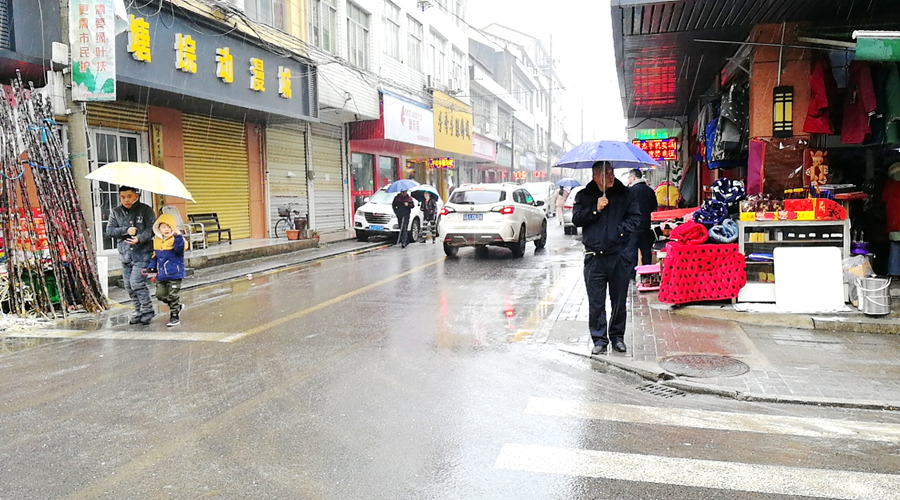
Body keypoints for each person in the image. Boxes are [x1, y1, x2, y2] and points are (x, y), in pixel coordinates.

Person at [573, 162, 641, 355]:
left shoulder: (626, 194)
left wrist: (619, 232)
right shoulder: (584, 195)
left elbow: (635, 218)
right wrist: (595, 208)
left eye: (611, 172)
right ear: (595, 176)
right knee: (596, 302)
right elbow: (577, 219)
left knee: (619, 301)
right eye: (605, 174)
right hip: (594, 257)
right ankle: (599, 339)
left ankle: (617, 337)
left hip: (619, 255)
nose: (610, 176)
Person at [106, 186, 157, 325]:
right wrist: (126, 231)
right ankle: (138, 310)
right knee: (128, 285)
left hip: (143, 254)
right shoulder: (116, 212)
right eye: (123, 197)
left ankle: (147, 310)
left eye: (129, 196)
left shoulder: (146, 210)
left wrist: (139, 238)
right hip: (125, 255)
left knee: (137, 283)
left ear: (136, 196)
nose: (126, 200)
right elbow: (109, 231)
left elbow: (152, 229)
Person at [147, 213, 188, 327]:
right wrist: (151, 267)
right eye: (163, 227)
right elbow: (155, 256)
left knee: (173, 296)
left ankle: (174, 316)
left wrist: (178, 237)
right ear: (158, 228)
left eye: (169, 227)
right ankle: (177, 306)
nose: (166, 229)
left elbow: (180, 249)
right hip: (161, 275)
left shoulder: (177, 239)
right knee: (160, 295)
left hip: (175, 273)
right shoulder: (157, 240)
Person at [626, 169, 658, 267]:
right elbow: (654, 206)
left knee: (632, 253)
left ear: (633, 178)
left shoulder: (630, 191)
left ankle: (632, 273)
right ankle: (647, 273)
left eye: (629, 177)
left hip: (633, 227)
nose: (628, 179)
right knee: (646, 252)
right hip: (646, 225)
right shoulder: (650, 190)